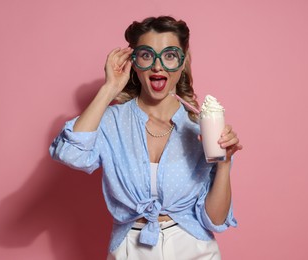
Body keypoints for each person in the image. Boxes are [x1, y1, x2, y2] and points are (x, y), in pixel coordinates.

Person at [49, 16, 242, 259]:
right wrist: (109, 88)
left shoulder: (200, 127)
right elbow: (71, 155)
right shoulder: (111, 122)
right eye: (147, 55)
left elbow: (215, 220)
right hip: (131, 247)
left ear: (182, 62)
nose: (158, 66)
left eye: (170, 55)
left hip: (193, 248)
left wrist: (224, 164)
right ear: (134, 61)